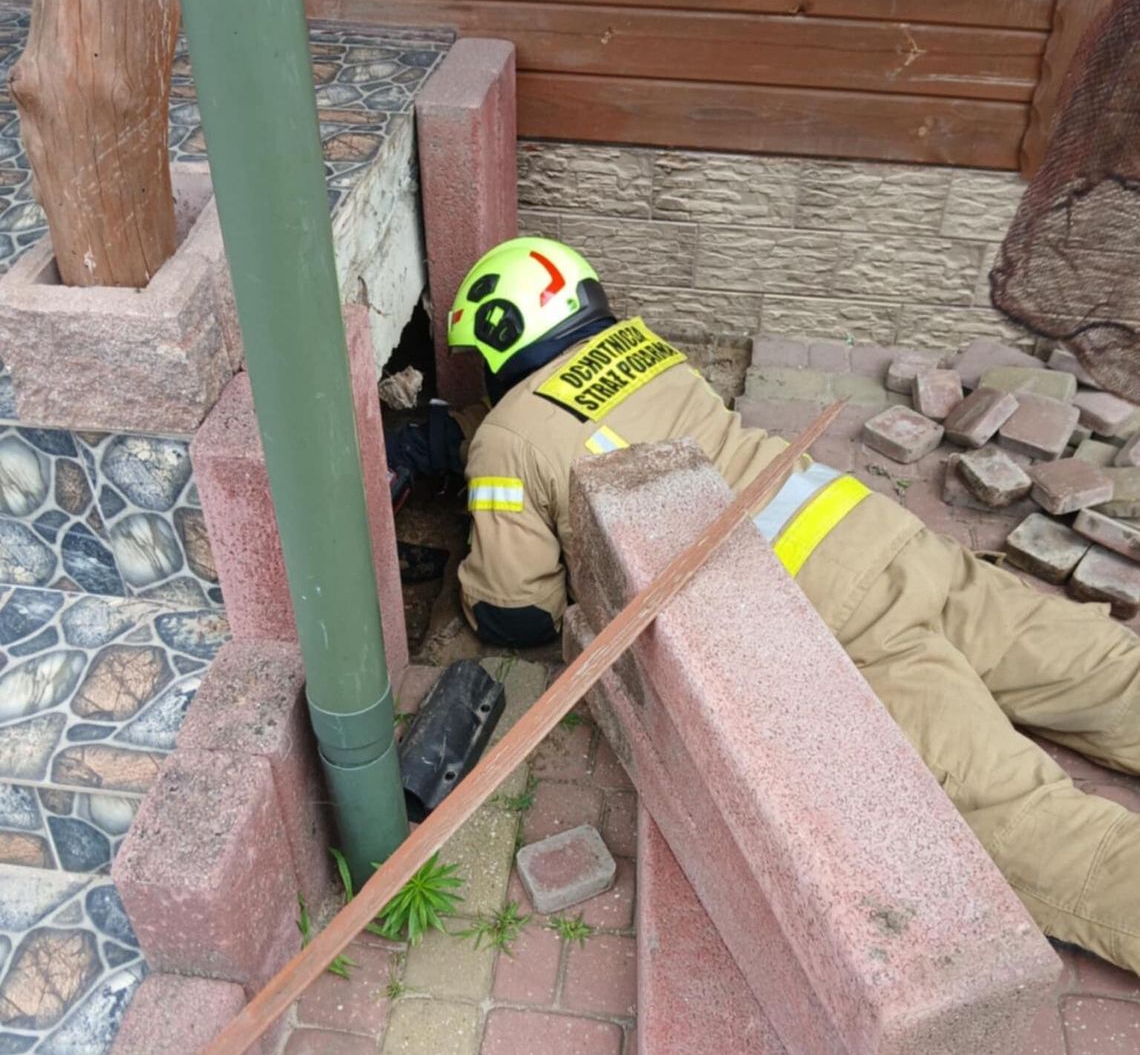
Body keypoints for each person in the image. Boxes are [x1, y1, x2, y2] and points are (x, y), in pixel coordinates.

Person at [431, 236, 1140, 977]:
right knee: (1098, 670)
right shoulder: (645, 347)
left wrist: (481, 496)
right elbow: (597, 424)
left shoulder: (509, 438)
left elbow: (517, 612)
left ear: (500, 338)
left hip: (817, 607)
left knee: (1022, 819)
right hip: (874, 531)